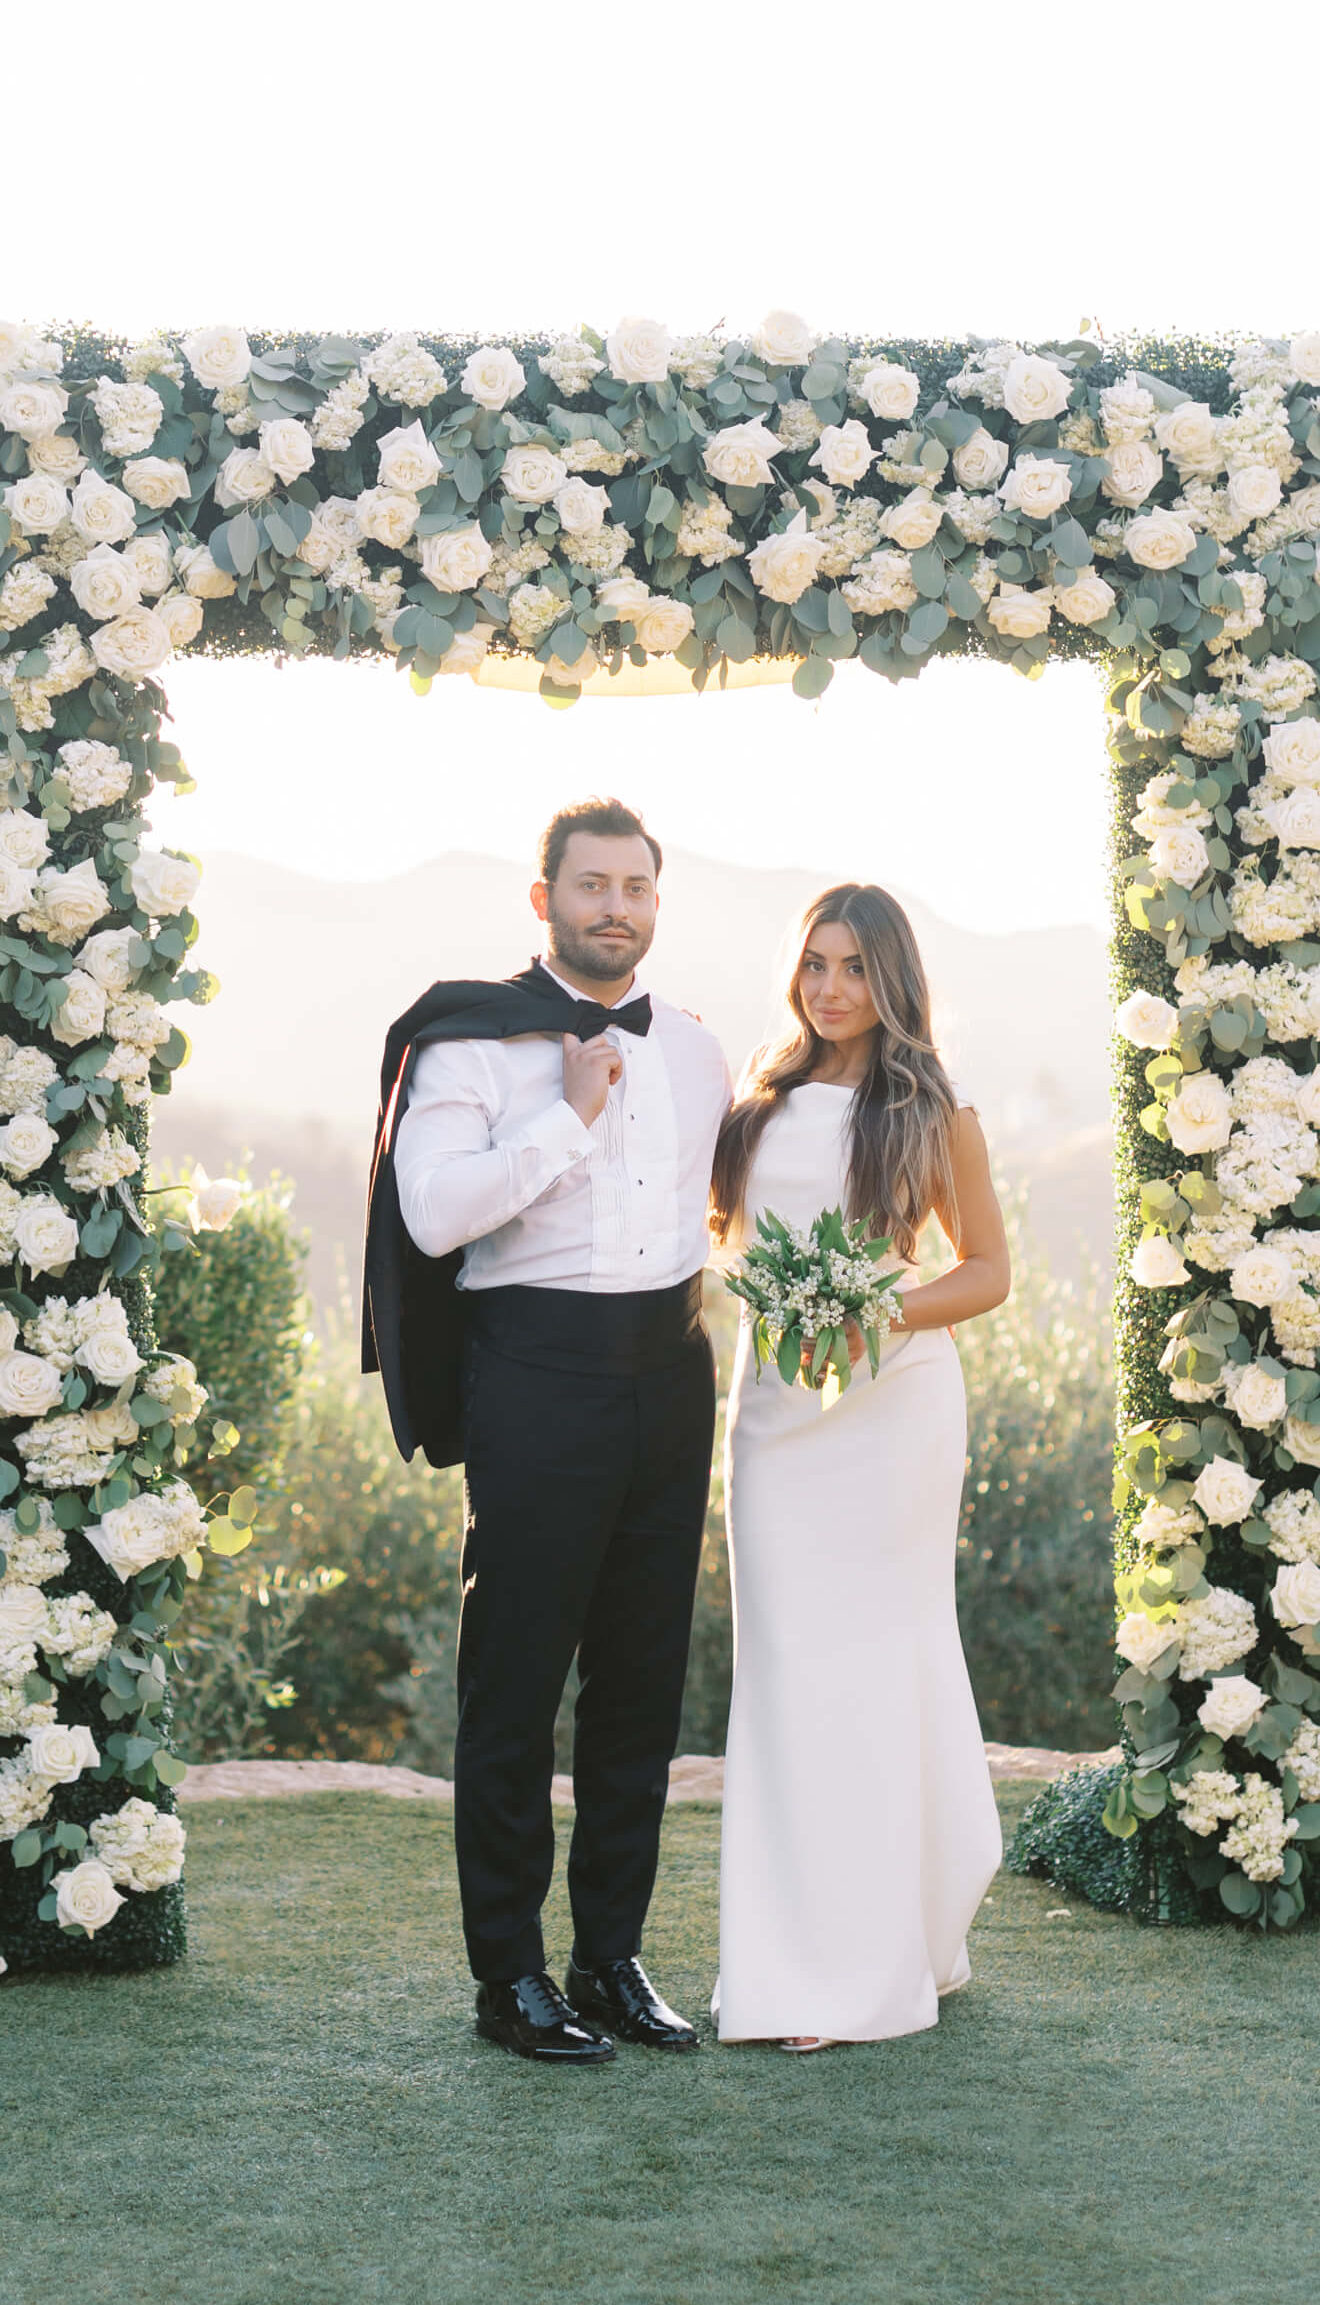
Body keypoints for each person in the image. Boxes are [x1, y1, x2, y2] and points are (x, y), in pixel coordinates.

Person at [367, 798, 731, 2065]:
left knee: (641, 1683)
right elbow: (432, 1215)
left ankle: (611, 1957)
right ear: (543, 898)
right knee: (515, 1685)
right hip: (533, 1370)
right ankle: (509, 1978)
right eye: (590, 884)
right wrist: (565, 1115)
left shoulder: (695, 1050)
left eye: (634, 885)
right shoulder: (467, 1045)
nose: (613, 906)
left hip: (671, 1372)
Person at [710, 883, 1010, 2050]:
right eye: (813, 965)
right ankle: (795, 1956)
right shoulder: (758, 1096)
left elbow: (985, 1272)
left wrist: (876, 1312)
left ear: (890, 977)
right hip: (776, 1421)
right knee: (786, 1677)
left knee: (876, 1670)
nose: (827, 989)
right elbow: (721, 1239)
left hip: (891, 1420)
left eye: (850, 967)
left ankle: (856, 1972)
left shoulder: (931, 1107)